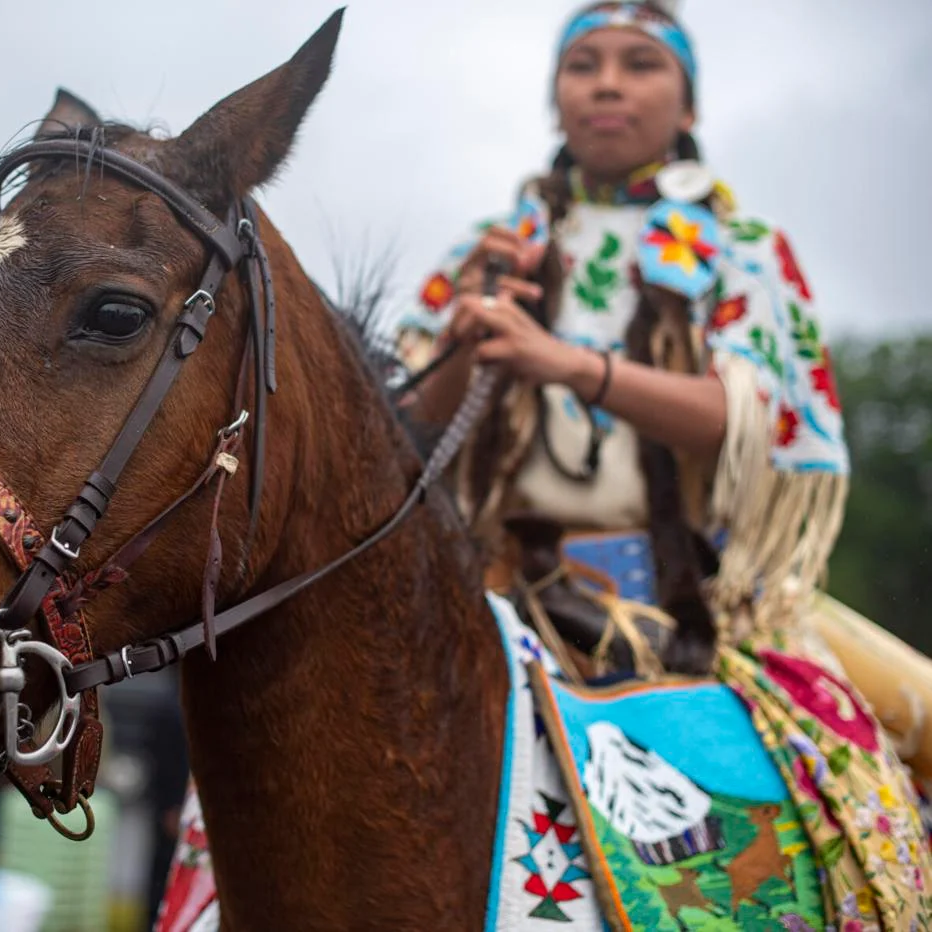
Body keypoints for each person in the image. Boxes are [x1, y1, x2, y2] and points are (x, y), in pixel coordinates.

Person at [156, 2, 932, 927]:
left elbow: (758, 422)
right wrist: (467, 335)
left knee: (897, 748)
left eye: (640, 63)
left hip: (702, 607)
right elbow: (389, 442)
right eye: (584, 64)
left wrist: (568, 365)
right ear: (555, 97)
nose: (607, 81)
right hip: (489, 593)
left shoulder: (739, 249)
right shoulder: (495, 248)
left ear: (689, 102)